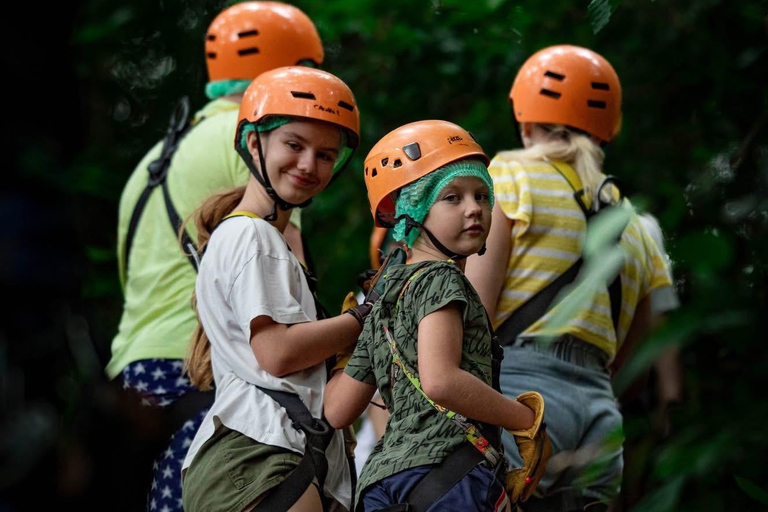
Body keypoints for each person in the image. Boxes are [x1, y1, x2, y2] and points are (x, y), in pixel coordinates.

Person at [105, 3, 325, 511]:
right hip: (205, 371)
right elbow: (291, 277)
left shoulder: (154, 159)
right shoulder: (257, 142)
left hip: (137, 381)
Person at [465, 45, 674, 512]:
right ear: (608, 129)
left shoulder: (510, 176)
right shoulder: (637, 224)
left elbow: (473, 310)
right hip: (602, 415)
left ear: (525, 120)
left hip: (523, 399)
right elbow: (634, 358)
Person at [324, 120, 551, 512]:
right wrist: (524, 419)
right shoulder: (443, 278)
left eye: (482, 196)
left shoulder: (383, 302)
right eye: (451, 198)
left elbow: (338, 409)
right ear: (412, 210)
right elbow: (441, 380)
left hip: (381, 486)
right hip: (451, 479)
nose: (473, 209)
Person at [180, 66, 368, 512]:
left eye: (325, 155)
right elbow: (278, 352)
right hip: (259, 456)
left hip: (264, 456)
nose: (308, 165)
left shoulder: (257, 238)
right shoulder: (253, 237)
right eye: (294, 145)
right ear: (252, 142)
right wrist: (362, 318)